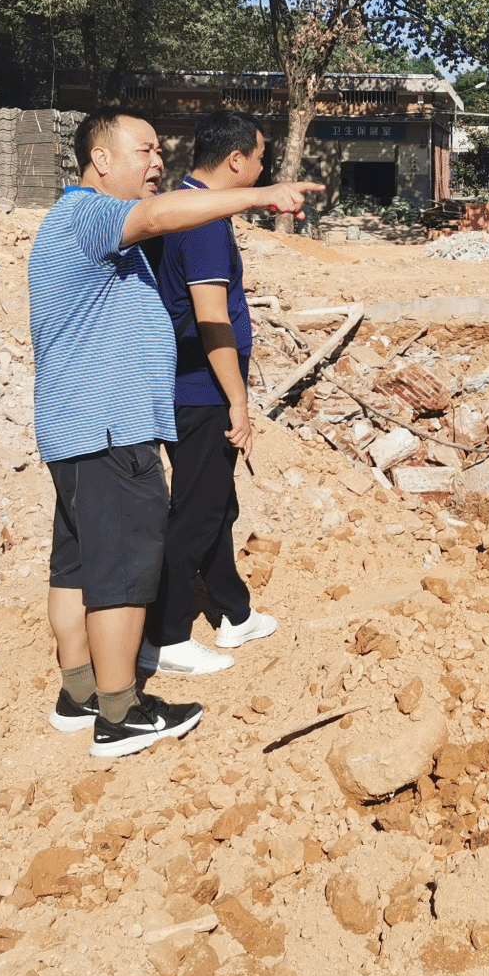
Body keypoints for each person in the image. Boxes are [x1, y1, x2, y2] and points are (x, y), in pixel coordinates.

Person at [30, 108, 320, 759]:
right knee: (121, 573)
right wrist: (259, 196)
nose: (157, 161)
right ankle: (120, 714)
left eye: (161, 150)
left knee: (76, 568)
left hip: (76, 427)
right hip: (109, 428)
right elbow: (160, 217)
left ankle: (79, 694)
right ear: (101, 159)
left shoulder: (79, 226)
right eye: (145, 150)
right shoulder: (91, 214)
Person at [140, 111, 281, 675]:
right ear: (236, 160)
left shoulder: (187, 208)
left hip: (190, 384)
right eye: (261, 157)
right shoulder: (202, 223)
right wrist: (238, 403)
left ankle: (234, 612)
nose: (264, 167)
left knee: (216, 501)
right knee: (196, 512)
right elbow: (211, 316)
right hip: (202, 390)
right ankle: (165, 636)